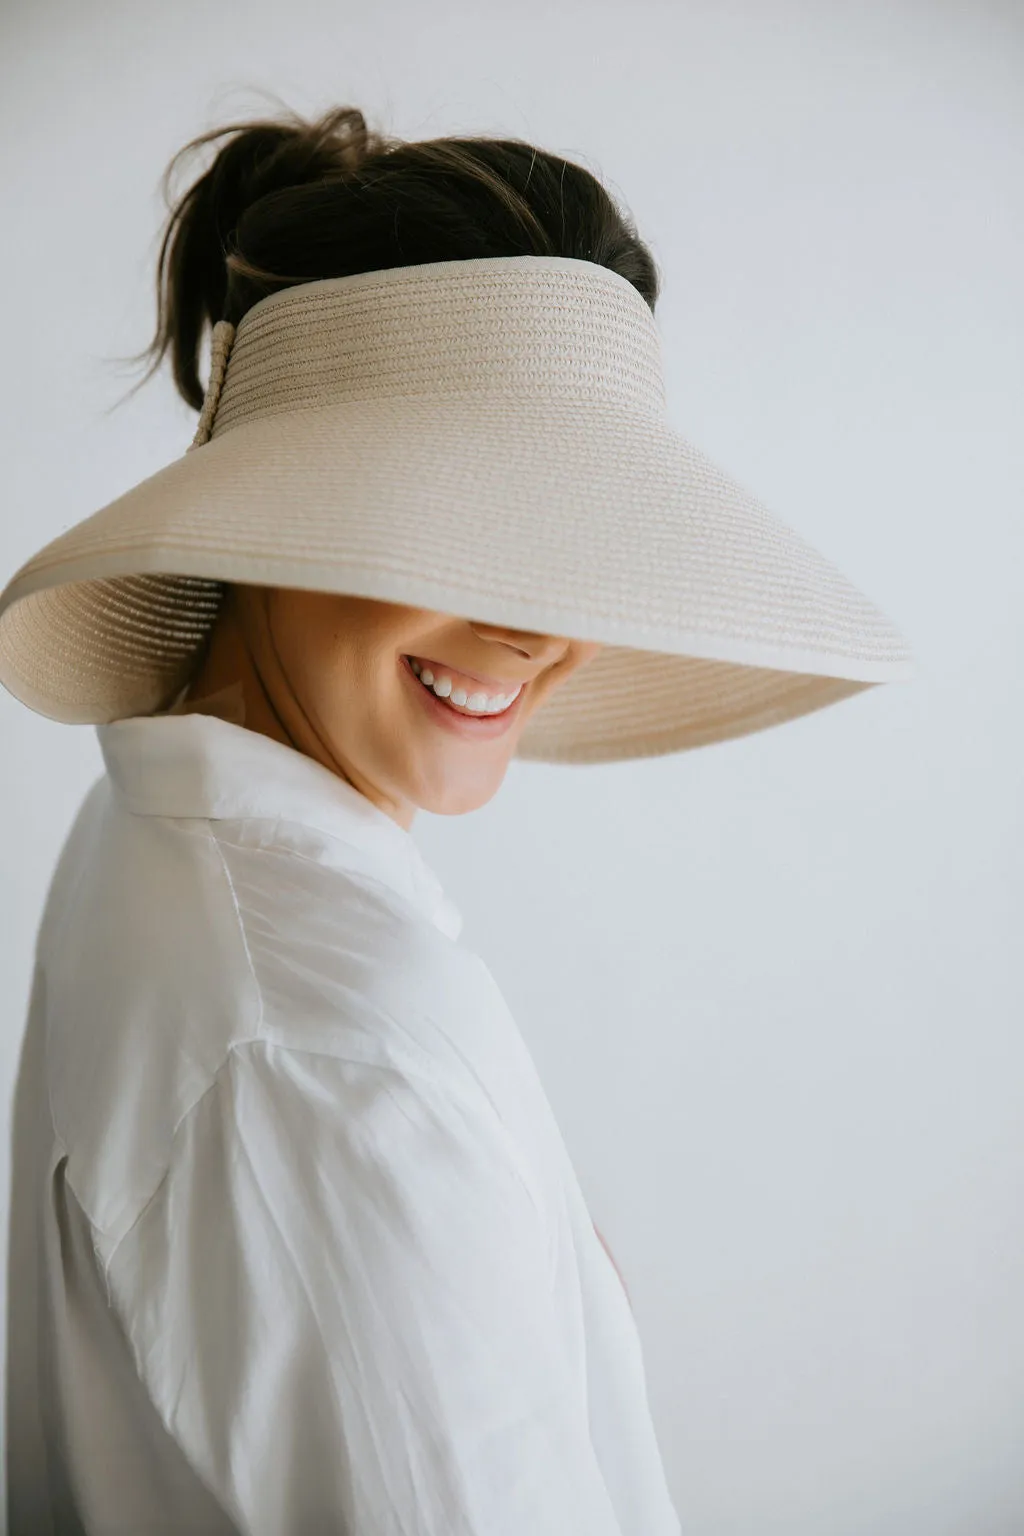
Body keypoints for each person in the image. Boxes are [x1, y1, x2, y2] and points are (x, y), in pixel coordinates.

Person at [0, 105, 914, 1535]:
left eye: (579, 538)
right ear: (273, 506)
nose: (539, 628)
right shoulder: (331, 1061)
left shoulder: (162, 843)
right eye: (462, 520)